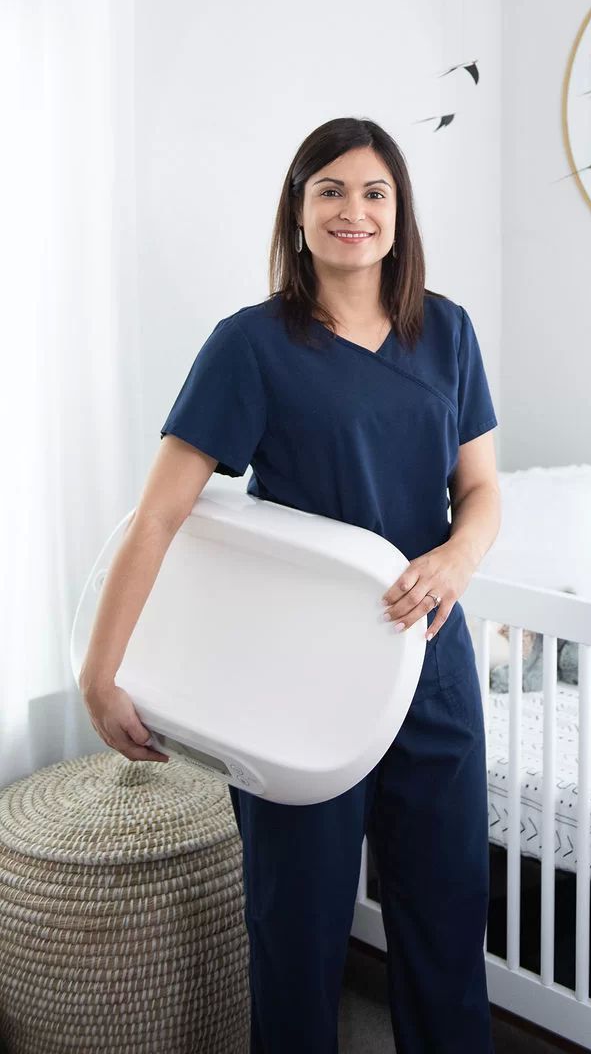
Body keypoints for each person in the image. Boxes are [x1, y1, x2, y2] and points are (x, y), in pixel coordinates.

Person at [78, 117, 501, 1053]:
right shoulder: (251, 346)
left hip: (429, 667)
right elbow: (159, 516)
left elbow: (479, 491)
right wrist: (98, 673)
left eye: (375, 193)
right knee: (296, 930)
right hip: (298, 680)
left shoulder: (450, 332)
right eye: (332, 192)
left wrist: (456, 560)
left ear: (400, 214)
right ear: (299, 212)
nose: (355, 211)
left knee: (445, 920)